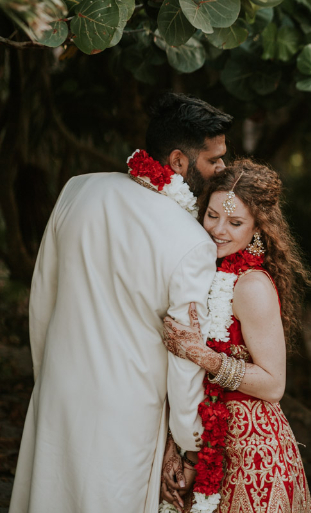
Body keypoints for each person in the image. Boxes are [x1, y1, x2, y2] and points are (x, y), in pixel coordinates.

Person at [9, 93, 232, 513]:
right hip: (127, 417)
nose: (223, 168)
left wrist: (47, 377)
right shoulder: (193, 243)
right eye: (214, 159)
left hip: (59, 391)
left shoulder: (79, 189)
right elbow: (185, 357)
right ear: (179, 161)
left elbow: (42, 298)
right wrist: (189, 442)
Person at [161, 159, 311, 513]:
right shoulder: (204, 273)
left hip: (253, 454)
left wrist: (203, 355)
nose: (218, 230)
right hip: (207, 441)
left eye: (235, 222)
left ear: (257, 228)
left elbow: (274, 384)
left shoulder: (251, 286)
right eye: (212, 215)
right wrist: (180, 447)